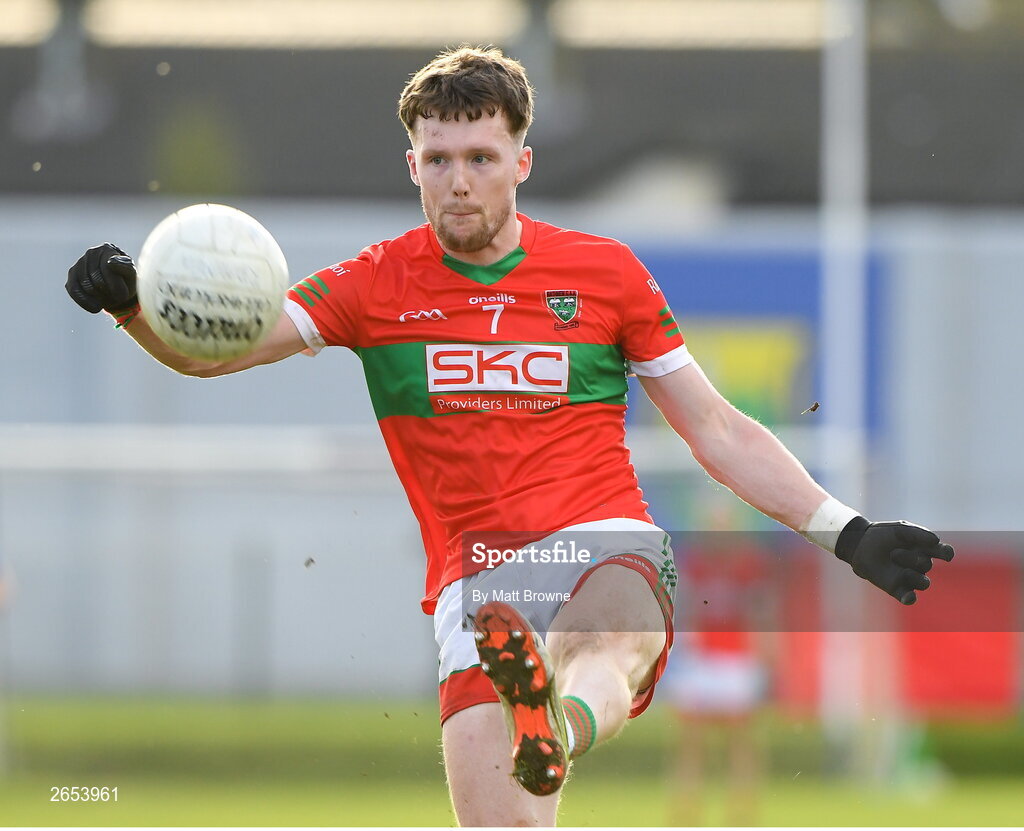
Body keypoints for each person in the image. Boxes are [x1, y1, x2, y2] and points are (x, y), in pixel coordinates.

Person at [65, 46, 955, 827]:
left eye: (481, 158)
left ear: (521, 162)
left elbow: (716, 427)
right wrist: (134, 306)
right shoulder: (374, 284)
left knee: (608, 639)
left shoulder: (604, 274)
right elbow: (216, 354)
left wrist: (847, 531)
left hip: (601, 537)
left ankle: (557, 725)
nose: (459, 180)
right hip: (477, 584)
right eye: (439, 159)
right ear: (412, 164)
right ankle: (547, 718)